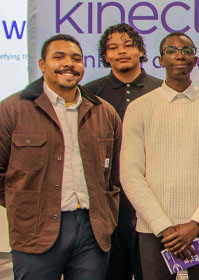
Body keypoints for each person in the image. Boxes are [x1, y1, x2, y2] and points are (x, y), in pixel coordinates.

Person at [0, 34, 121, 279]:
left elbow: (116, 173)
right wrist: (24, 205)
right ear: (42, 65)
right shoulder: (13, 109)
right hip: (35, 231)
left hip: (92, 230)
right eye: (59, 57)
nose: (69, 63)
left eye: (76, 58)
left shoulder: (104, 112)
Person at [120, 32, 199, 280]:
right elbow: (130, 174)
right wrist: (162, 226)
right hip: (155, 230)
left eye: (187, 51)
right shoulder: (139, 109)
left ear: (195, 60)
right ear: (160, 60)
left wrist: (196, 224)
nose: (179, 56)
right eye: (171, 51)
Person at [83, 25, 162, 280]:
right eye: (113, 48)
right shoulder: (90, 94)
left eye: (128, 45)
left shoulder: (161, 91)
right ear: (105, 56)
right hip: (108, 204)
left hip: (153, 201)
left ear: (140, 50)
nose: (121, 52)